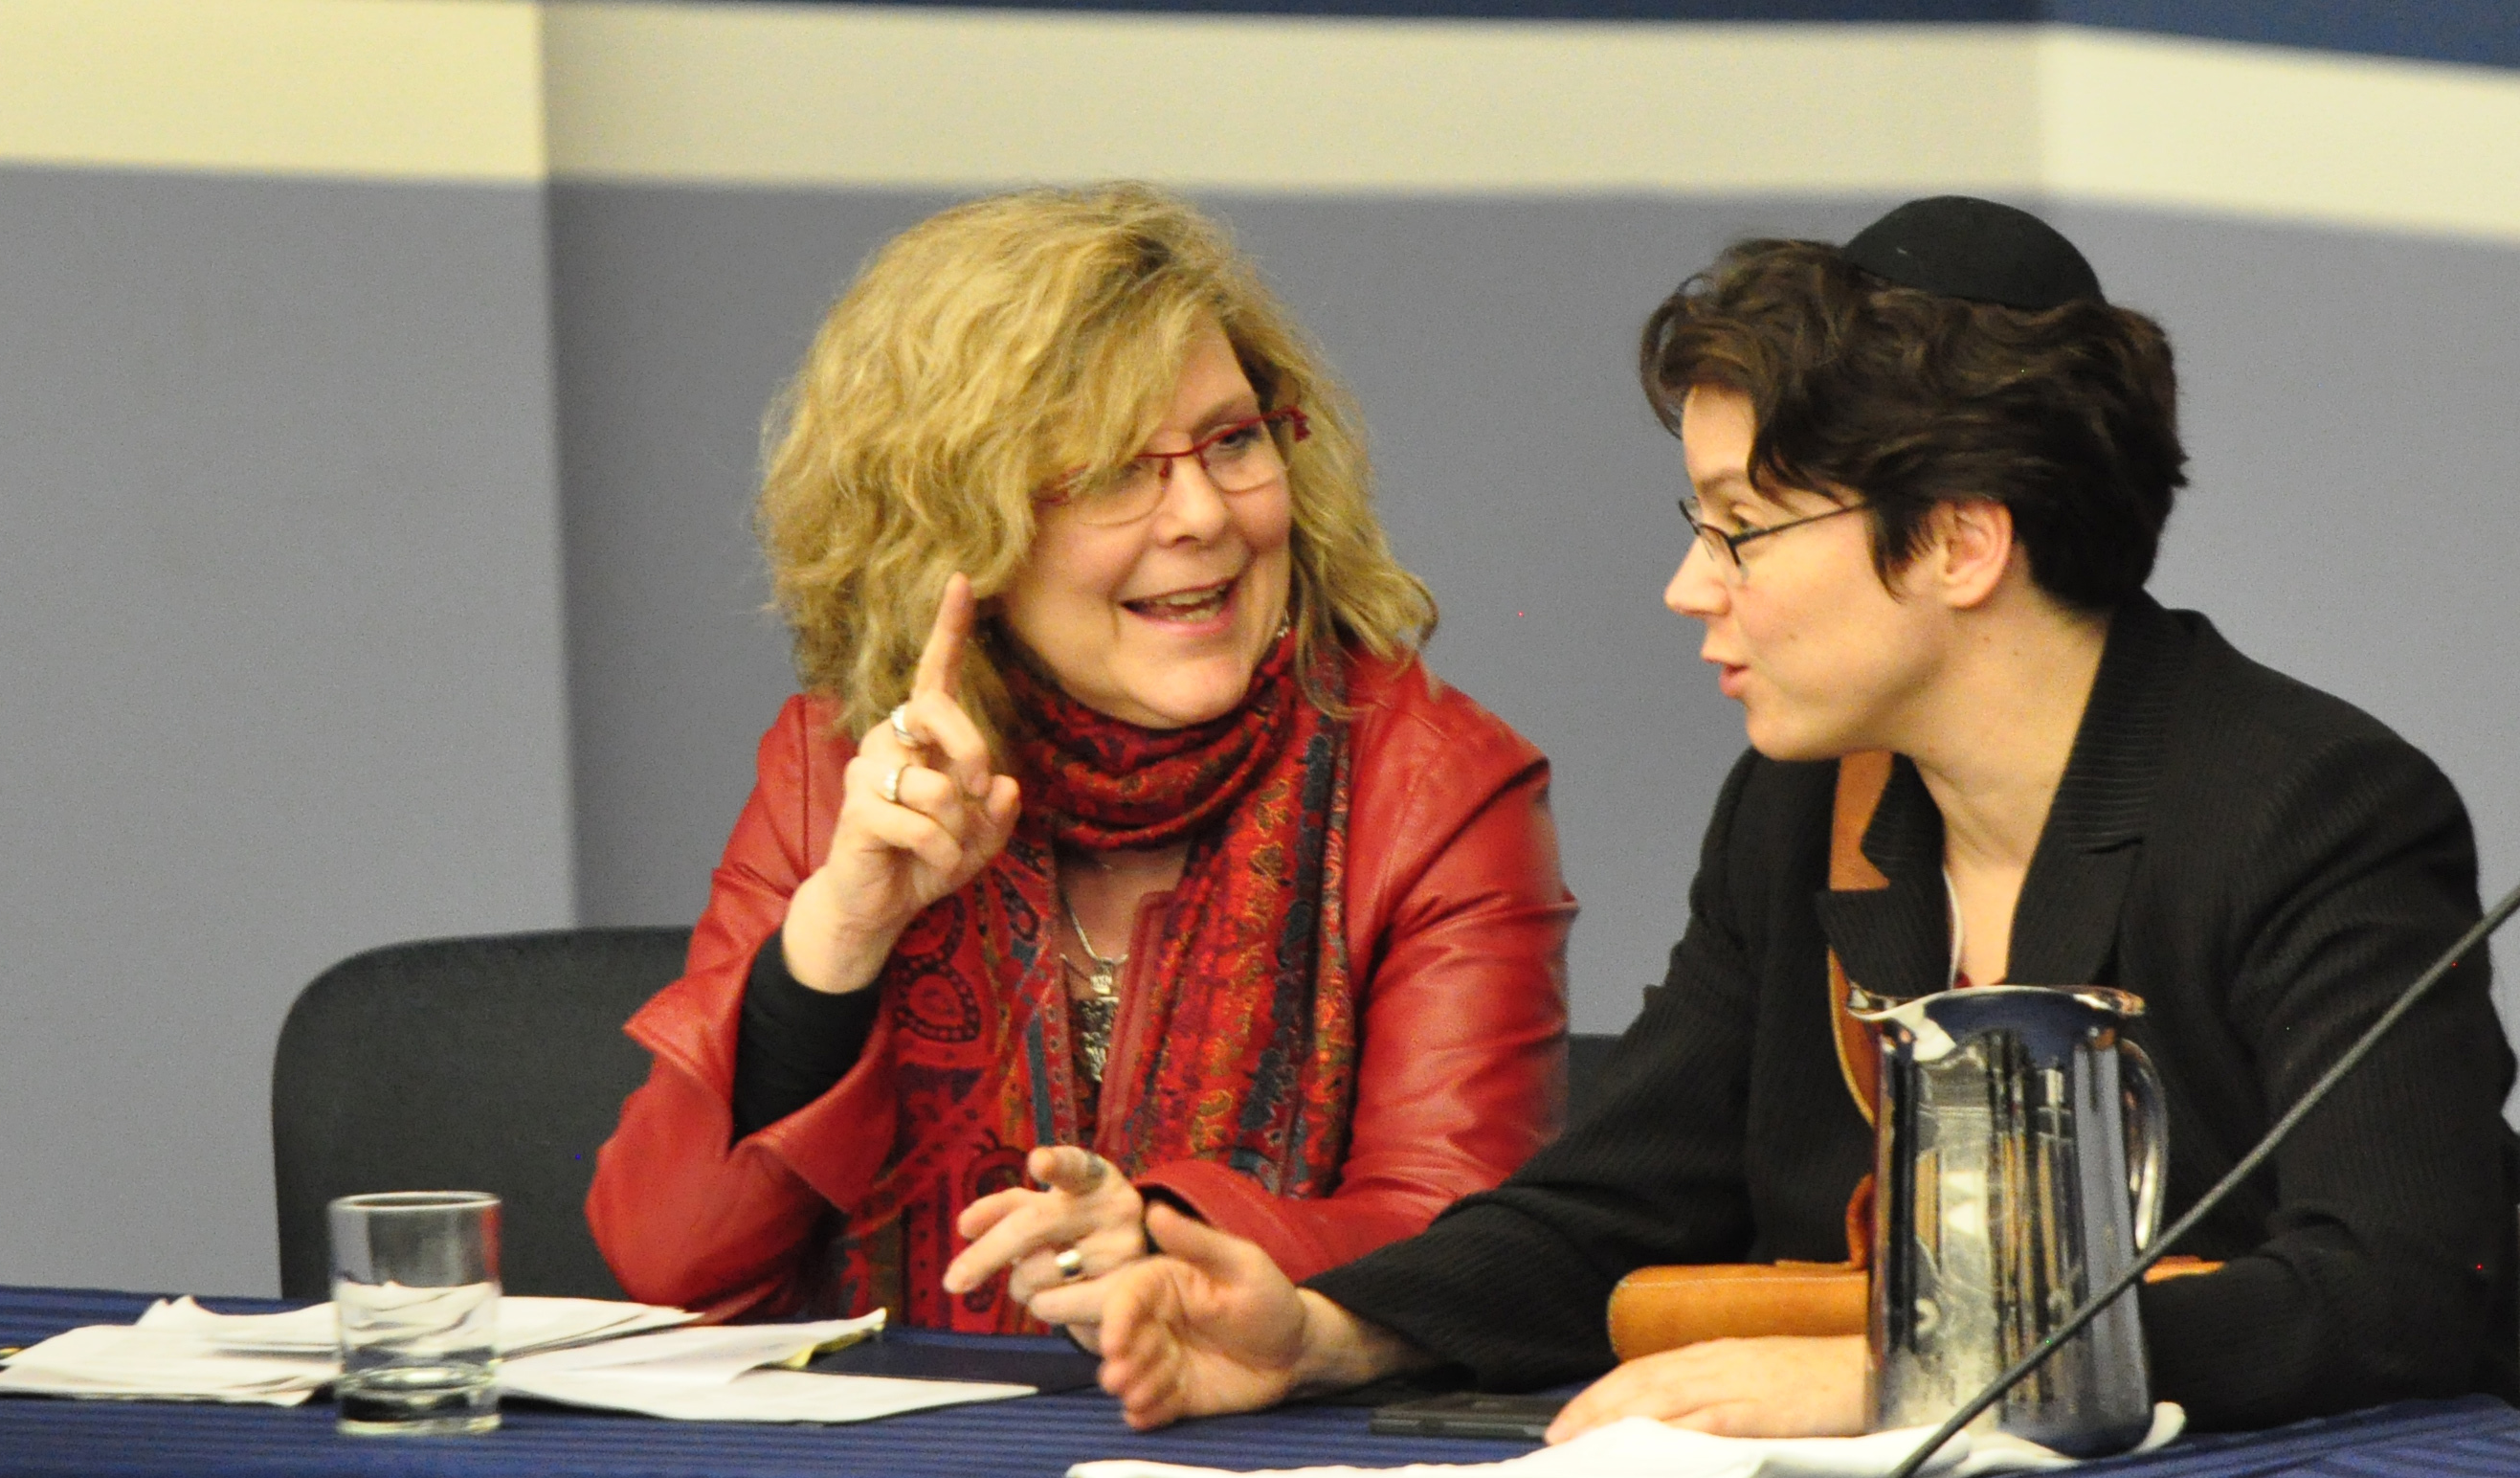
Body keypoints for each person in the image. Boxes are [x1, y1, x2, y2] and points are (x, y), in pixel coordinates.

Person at [1047, 196, 2519, 1436]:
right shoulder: (1805, 803)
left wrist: (1905, 1386)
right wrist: (1318, 1328)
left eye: (1740, 529)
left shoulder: (2313, 809)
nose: (1693, 588)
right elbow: (1625, 1204)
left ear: (1957, 541)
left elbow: (2397, 1285)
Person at [585, 184, 1575, 1332]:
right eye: (1114, 469)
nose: (1202, 512)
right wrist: (837, 937)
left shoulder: (1434, 788)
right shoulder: (846, 770)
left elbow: (1464, 1249)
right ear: (961, 529)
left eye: (1232, 440)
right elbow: (667, 1263)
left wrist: (1163, 1232)